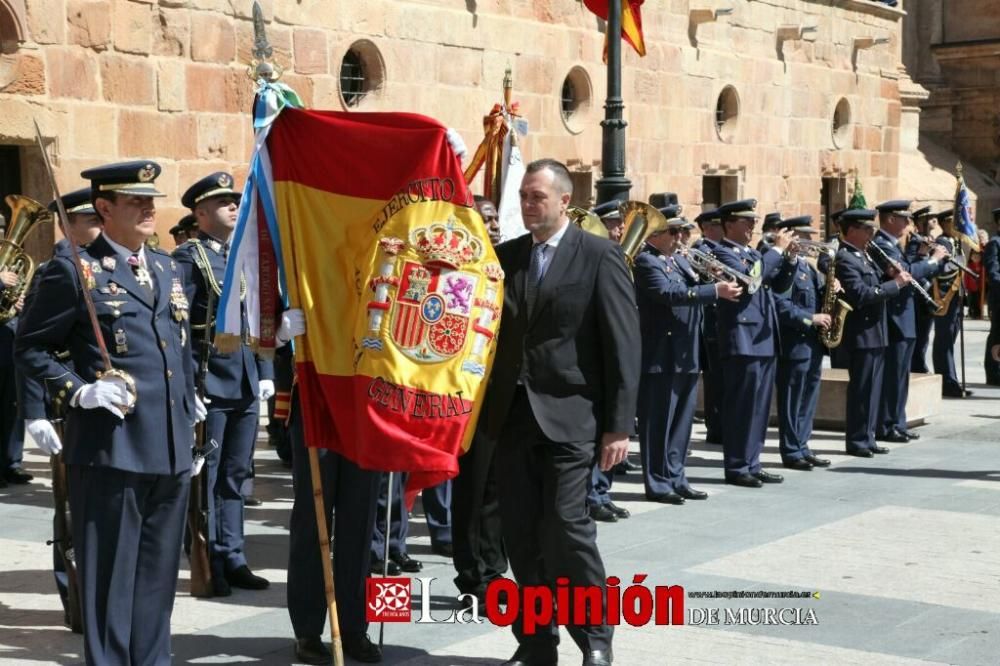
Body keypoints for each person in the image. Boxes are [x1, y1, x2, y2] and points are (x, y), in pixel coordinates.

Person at [15, 160, 206, 664]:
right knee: (110, 586)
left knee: (158, 580)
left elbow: (178, 349)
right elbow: (30, 348)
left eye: (150, 199)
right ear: (104, 208)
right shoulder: (72, 269)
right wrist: (78, 393)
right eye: (134, 201)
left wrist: (190, 413)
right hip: (111, 448)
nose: (148, 207)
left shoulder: (166, 265)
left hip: (168, 448)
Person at [486, 159, 639, 666]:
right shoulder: (506, 257)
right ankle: (535, 641)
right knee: (522, 534)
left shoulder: (599, 255)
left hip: (574, 418)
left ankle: (595, 637)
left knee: (567, 527)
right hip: (512, 419)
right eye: (525, 196)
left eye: (537, 197)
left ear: (564, 202)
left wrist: (619, 425)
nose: (528, 204)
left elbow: (623, 344)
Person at [173, 172, 275, 596]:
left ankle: (234, 556)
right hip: (210, 381)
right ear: (200, 213)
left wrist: (266, 372)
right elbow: (178, 327)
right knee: (208, 479)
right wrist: (186, 386)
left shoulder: (241, 256)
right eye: (221, 202)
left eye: (235, 200)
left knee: (236, 475)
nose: (233, 205)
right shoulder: (189, 258)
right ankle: (210, 558)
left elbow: (253, 321)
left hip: (246, 381)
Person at [17, 187, 102, 630]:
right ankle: (74, 598)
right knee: (69, 509)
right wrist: (33, 413)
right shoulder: (54, 272)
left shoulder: (108, 269)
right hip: (63, 404)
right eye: (91, 218)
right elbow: (29, 349)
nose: (99, 224)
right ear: (68, 223)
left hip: (103, 404)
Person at [279, 307, 383, 665]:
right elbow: (260, 316)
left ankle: (355, 627)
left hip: (366, 398)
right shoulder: (305, 255)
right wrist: (280, 333)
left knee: (360, 521)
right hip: (317, 394)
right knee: (312, 518)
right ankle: (308, 629)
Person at [635, 209, 741, 504]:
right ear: (656, 234)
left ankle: (677, 476)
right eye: (674, 232)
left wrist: (714, 278)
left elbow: (692, 286)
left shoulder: (678, 259)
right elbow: (670, 294)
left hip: (686, 352)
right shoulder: (646, 261)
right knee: (658, 423)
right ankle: (657, 483)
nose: (681, 238)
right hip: (661, 354)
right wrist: (713, 290)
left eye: (682, 232)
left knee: (682, 423)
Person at [711, 199, 795, 488]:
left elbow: (779, 285)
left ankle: (752, 462)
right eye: (746, 222)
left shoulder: (752, 253)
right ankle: (736, 466)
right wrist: (776, 251)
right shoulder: (722, 252)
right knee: (741, 406)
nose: (752, 228)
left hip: (763, 337)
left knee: (760, 408)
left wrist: (790, 260)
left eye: (753, 222)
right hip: (742, 339)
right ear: (729, 224)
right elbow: (750, 281)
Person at [451, 194, 509, 612]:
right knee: (473, 490)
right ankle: (474, 574)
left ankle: (495, 567)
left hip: (505, 394)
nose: (493, 225)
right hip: (467, 394)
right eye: (484, 219)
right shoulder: (458, 271)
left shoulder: (509, 264)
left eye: (494, 219)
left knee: (496, 490)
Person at [834, 208, 911, 457]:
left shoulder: (864, 256)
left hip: (876, 332)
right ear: (853, 230)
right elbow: (861, 295)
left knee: (873, 389)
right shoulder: (846, 258)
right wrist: (895, 284)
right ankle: (857, 440)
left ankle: (867, 437)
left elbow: (875, 286)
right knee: (862, 389)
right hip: (862, 333)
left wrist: (889, 274)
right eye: (867, 229)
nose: (871, 233)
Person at [871, 200, 946, 442]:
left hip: (905, 317)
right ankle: (887, 424)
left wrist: (924, 256)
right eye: (904, 218)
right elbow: (906, 272)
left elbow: (911, 269)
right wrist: (932, 260)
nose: (908, 223)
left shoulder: (893, 244)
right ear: (890, 219)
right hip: (895, 319)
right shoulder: (882, 244)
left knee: (901, 376)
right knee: (893, 375)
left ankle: (898, 422)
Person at [772, 216, 833, 472]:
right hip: (794, 342)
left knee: (808, 397)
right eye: (804, 236)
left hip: (813, 344)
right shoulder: (784, 266)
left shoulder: (808, 268)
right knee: (792, 398)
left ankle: (803, 445)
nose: (809, 241)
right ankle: (791, 449)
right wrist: (811, 318)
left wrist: (832, 285)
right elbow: (781, 306)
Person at [927, 209, 971, 398]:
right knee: (944, 341)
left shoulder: (956, 242)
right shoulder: (943, 243)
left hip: (956, 297)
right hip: (945, 297)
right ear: (945, 224)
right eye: (954, 223)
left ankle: (951, 379)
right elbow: (942, 270)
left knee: (950, 340)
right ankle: (947, 381)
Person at [693, 208, 725, 444]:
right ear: (708, 228)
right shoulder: (701, 251)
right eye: (718, 226)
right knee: (715, 379)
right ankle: (715, 426)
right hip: (710, 324)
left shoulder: (721, 250)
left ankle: (721, 423)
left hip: (722, 322)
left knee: (722, 378)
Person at [908, 207, 935, 374]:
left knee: (925, 333)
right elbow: (912, 266)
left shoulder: (928, 239)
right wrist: (927, 285)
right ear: (920, 222)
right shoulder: (915, 241)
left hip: (930, 294)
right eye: (930, 219)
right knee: (920, 332)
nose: (934, 221)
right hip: (920, 294)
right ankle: (917, 364)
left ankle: (920, 362)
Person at [983, 208, 1000, 385]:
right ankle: (994, 373)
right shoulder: (994, 243)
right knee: (997, 335)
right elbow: (993, 271)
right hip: (999, 299)